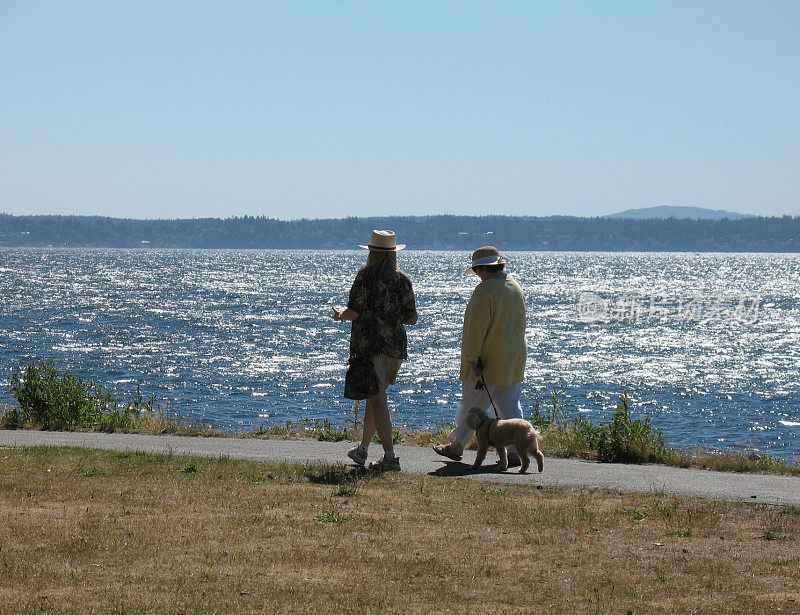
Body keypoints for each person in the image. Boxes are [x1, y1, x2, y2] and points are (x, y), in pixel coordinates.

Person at [331, 230, 418, 471]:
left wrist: (340, 316)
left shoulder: (365, 277)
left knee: (377, 400)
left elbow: (354, 311)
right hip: (395, 347)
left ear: (371, 253)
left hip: (370, 348)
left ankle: (390, 458)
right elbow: (412, 318)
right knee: (375, 397)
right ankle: (363, 449)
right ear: (393, 254)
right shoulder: (403, 280)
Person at [433, 246, 527, 464]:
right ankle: (516, 450)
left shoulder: (484, 291)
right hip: (513, 357)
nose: (477, 274)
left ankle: (456, 447)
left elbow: (476, 329)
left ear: (485, 268)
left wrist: (473, 359)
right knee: (509, 405)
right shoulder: (515, 287)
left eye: (477, 270)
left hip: (488, 360)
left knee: (472, 405)